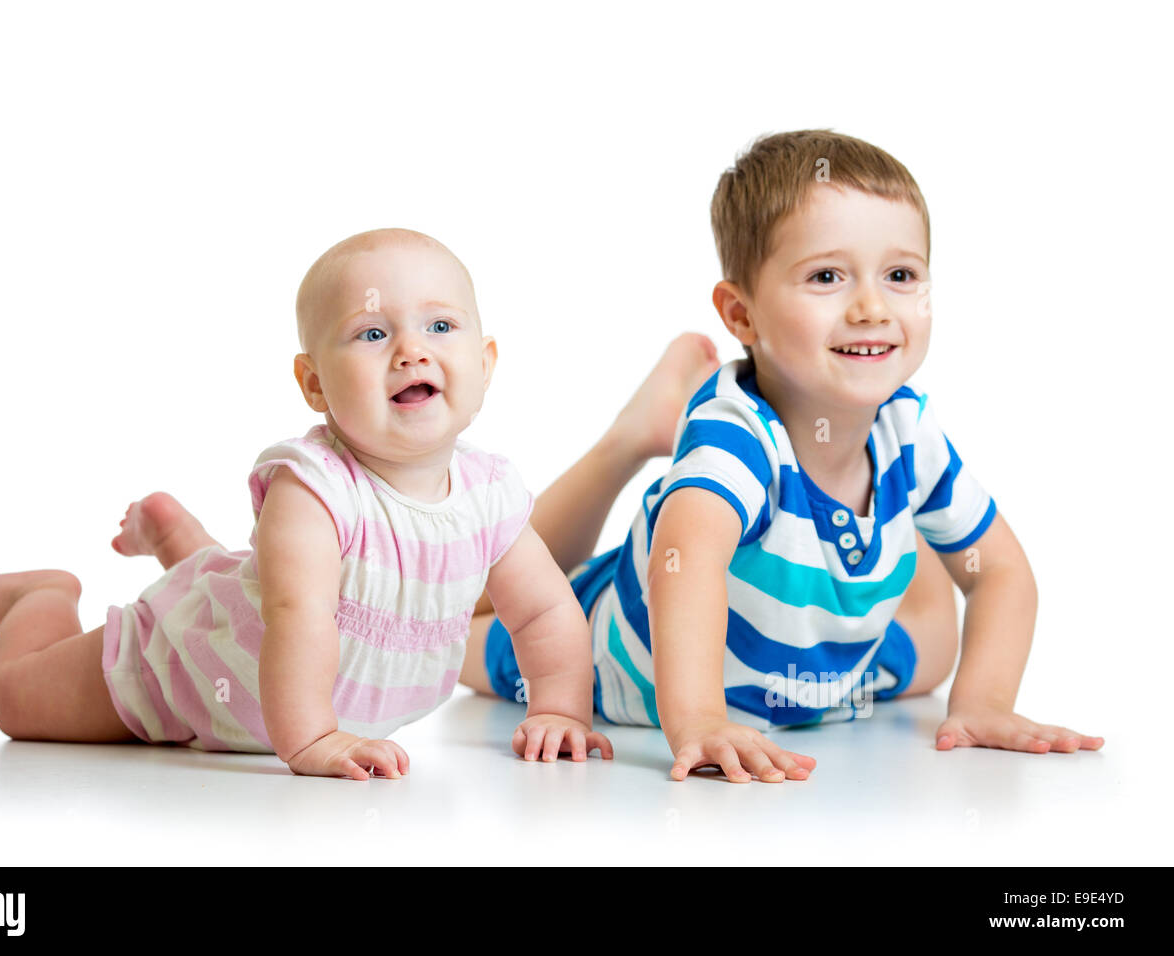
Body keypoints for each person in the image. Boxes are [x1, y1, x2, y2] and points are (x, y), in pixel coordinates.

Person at [470, 129, 1104, 782]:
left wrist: (984, 703)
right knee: (477, 607)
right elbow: (680, 565)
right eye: (827, 276)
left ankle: (854, 555)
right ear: (742, 316)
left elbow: (1001, 572)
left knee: (937, 651)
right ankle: (632, 437)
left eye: (900, 274)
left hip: (820, 675)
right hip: (625, 653)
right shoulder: (736, 438)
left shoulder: (910, 428)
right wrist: (700, 719)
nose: (872, 307)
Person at [0, 228, 613, 779]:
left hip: (241, 628)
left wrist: (559, 710)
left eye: (440, 325)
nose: (412, 350)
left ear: (487, 363)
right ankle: (42, 598)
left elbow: (545, 610)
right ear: (314, 383)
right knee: (19, 700)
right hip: (184, 672)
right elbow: (297, 612)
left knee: (242, 586)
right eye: (373, 334)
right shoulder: (314, 487)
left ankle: (183, 543)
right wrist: (314, 738)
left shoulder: (487, 496)